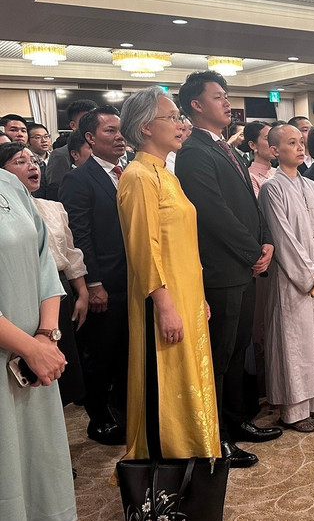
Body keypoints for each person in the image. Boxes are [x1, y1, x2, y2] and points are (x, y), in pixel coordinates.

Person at [175, 71, 279, 469]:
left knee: (237, 352)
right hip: (222, 270)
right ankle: (216, 437)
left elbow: (250, 203)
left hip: (244, 266)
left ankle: (237, 421)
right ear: (196, 105)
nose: (226, 102)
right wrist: (253, 251)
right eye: (218, 96)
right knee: (218, 358)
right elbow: (212, 213)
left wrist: (266, 240)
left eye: (226, 95)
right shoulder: (194, 152)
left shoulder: (226, 148)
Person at [116, 86, 220, 462]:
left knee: (191, 373)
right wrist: (165, 305)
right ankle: (167, 461)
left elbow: (184, 245)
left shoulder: (166, 174)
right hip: (162, 297)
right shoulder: (138, 175)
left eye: (179, 117)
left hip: (186, 293)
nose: (180, 124)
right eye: (172, 117)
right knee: (166, 377)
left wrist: (198, 297)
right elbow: (143, 249)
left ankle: (195, 453)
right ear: (145, 127)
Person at [0, 168, 77, 521]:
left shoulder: (9, 184)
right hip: (21, 351)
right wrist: (29, 348)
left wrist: (46, 336)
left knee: (38, 459)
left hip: (35, 357)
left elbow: (45, 260)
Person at [256, 124, 314, 433]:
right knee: (294, 343)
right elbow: (282, 237)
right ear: (275, 151)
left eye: (301, 142)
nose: (300, 147)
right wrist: (307, 275)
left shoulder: (310, 185)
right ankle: (293, 411)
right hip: (292, 279)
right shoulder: (272, 187)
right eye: (291, 143)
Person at [60, 105, 129, 445]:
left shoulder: (129, 171)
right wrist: (93, 283)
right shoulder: (79, 178)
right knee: (101, 354)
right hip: (105, 282)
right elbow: (80, 235)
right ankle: (99, 419)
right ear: (90, 137)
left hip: (133, 279)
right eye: (110, 131)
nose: (119, 137)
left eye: (120, 130)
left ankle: (124, 414)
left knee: (126, 354)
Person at [2, 143, 88, 406]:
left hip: (53, 293)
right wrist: (31, 346)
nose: (32, 166)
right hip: (13, 299)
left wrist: (47, 335)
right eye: (20, 161)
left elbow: (59, 256)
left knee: (58, 375)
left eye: (34, 161)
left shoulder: (48, 206)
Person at [45, 100, 97, 200]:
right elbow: (56, 191)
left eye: (95, 120)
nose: (92, 124)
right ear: (73, 125)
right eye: (86, 120)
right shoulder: (60, 155)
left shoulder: (104, 149)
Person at [239, 121, 275, 195]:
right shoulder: (250, 177)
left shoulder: (277, 171)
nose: (274, 143)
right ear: (252, 145)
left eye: (274, 138)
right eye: (268, 139)